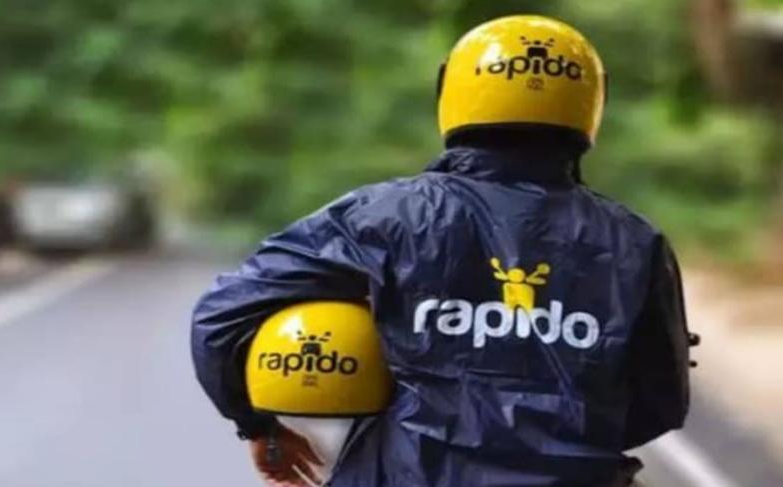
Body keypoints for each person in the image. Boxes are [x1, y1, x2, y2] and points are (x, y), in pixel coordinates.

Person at [192, 15, 694, 487]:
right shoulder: (635, 242)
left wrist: (257, 426)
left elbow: (221, 317)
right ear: (591, 101)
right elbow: (662, 403)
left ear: (450, 90)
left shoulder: (387, 217)